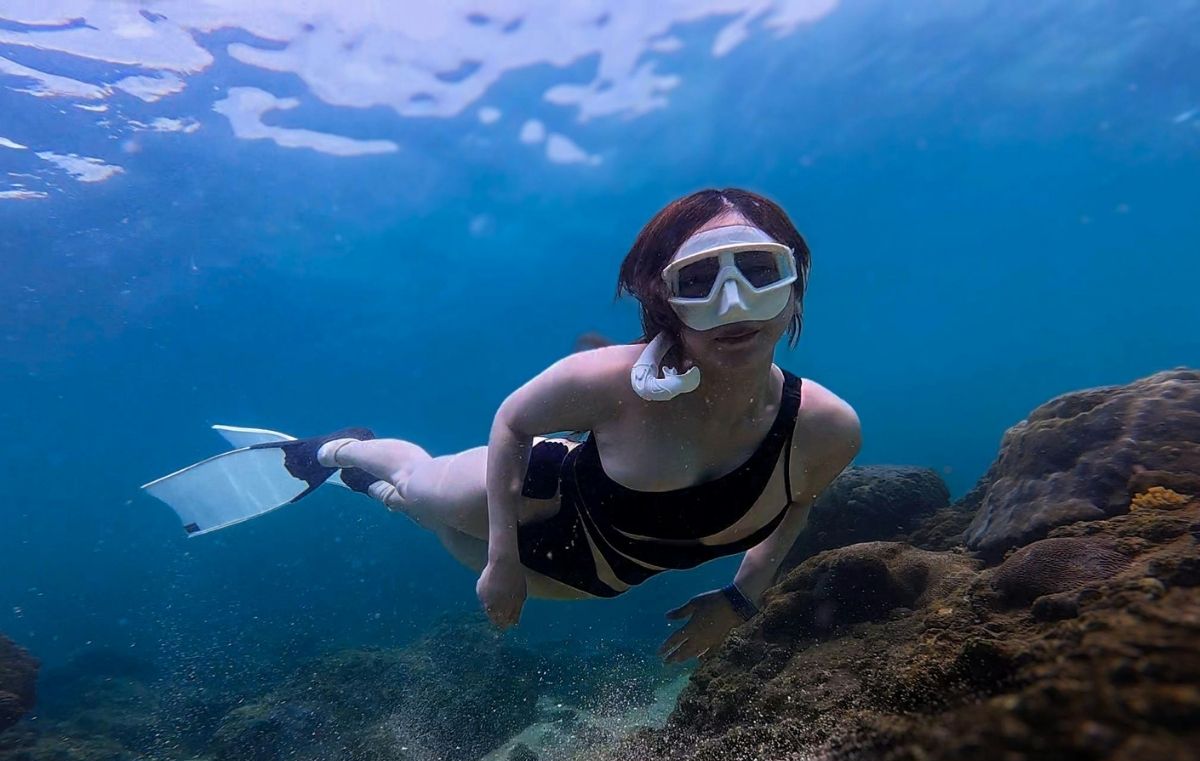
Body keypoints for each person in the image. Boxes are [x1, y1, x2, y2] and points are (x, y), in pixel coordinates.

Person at [146, 188, 861, 663]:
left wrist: (741, 601)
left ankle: (362, 485)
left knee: (415, 518)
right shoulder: (606, 379)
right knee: (427, 492)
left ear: (796, 279)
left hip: (590, 579)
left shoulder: (825, 430)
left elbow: (798, 504)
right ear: (661, 298)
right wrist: (502, 560)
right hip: (533, 498)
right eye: (699, 281)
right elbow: (512, 422)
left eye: (759, 272)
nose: (734, 306)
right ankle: (332, 450)